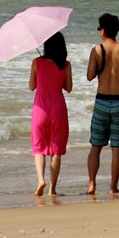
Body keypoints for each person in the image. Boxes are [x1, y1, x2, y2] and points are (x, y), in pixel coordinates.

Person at [85, 12, 119, 195]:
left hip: (102, 101)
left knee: (96, 146)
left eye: (99, 28)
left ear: (103, 30)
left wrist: (100, 68)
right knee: (117, 147)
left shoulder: (97, 50)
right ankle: (113, 187)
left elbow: (90, 76)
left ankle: (92, 184)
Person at [29, 31, 72, 196]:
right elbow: (68, 88)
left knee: (38, 148)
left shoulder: (36, 62)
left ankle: (41, 180)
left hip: (40, 110)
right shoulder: (65, 65)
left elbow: (32, 86)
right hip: (58, 110)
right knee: (56, 150)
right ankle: (52, 189)